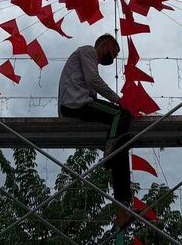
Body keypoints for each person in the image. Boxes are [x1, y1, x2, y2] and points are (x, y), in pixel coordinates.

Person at [57, 34, 135, 231]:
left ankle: (122, 208)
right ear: (105, 44)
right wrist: (118, 99)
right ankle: (110, 147)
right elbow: (93, 80)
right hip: (75, 103)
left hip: (79, 102)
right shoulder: (87, 51)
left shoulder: (89, 61)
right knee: (122, 114)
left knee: (121, 150)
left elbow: (90, 82)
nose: (112, 58)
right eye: (113, 52)